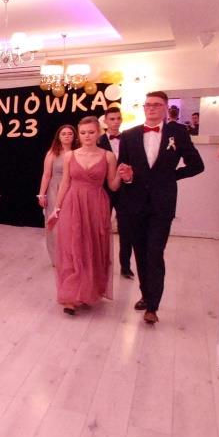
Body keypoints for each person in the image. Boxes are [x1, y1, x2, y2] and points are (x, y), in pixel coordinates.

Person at [116, 91, 205, 324]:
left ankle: (153, 306)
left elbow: (197, 165)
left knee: (155, 253)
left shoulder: (178, 133)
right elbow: (123, 168)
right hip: (135, 204)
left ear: (166, 108)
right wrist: (127, 178)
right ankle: (146, 295)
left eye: (156, 104)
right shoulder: (129, 135)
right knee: (140, 253)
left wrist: (170, 176)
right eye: (148, 105)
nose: (151, 108)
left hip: (162, 205)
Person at [48, 116, 122, 315]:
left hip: (97, 204)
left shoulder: (108, 156)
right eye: (83, 133)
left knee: (93, 248)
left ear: (98, 133)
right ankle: (71, 296)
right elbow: (65, 183)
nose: (87, 136)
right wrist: (57, 208)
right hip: (72, 203)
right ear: (78, 135)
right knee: (72, 247)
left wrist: (123, 176)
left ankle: (88, 291)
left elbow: (113, 185)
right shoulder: (70, 156)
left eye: (91, 132)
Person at [98, 107, 134, 277]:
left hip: (126, 191)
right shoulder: (97, 141)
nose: (115, 122)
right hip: (103, 190)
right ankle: (101, 263)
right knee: (101, 228)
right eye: (112, 119)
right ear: (105, 121)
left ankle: (125, 267)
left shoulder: (130, 139)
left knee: (126, 229)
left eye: (118, 118)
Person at [38, 124, 80, 266]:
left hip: (74, 189)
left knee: (72, 224)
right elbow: (46, 175)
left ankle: (72, 257)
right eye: (63, 134)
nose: (67, 136)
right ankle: (57, 258)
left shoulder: (79, 152)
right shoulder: (52, 153)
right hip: (54, 190)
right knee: (55, 224)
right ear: (59, 137)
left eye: (70, 133)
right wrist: (41, 194)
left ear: (74, 136)